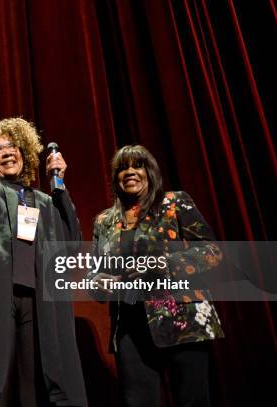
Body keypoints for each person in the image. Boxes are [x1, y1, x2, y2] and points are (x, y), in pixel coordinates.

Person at [0, 56, 87, 407]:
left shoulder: (43, 201)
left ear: (26, 154)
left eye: (13, 147)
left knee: (34, 383)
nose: (7, 152)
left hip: (36, 300)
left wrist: (60, 189)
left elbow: (71, 248)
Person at [90, 145, 224, 407]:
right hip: (130, 324)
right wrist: (99, 283)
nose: (130, 171)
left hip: (183, 318)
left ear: (149, 172)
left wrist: (162, 264)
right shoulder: (104, 221)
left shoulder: (175, 203)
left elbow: (211, 251)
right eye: (122, 168)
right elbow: (96, 272)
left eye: (137, 165)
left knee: (192, 400)